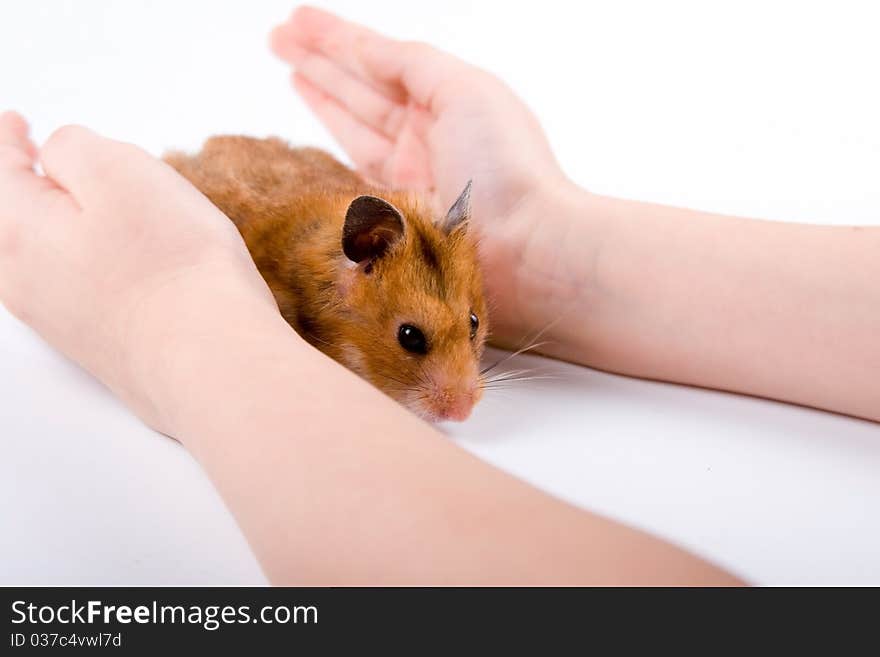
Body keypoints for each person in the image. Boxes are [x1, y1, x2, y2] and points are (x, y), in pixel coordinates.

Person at [0, 6, 876, 585]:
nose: (463, 389)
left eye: (473, 328)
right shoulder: (318, 268)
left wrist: (173, 326)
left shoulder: (416, 262)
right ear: (357, 259)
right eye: (421, 341)